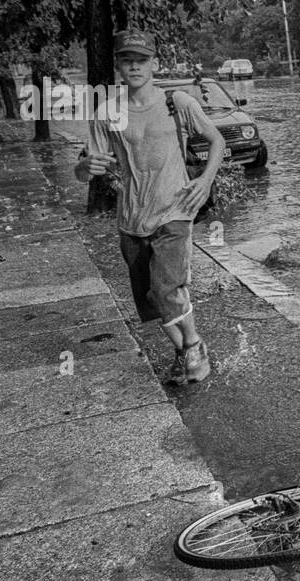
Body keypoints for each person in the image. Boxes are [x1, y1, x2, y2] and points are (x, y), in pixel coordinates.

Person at [75, 30, 224, 384]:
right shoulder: (108, 112)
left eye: (141, 60)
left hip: (174, 209)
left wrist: (204, 181)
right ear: (118, 65)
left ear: (153, 63)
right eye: (127, 60)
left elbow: (216, 140)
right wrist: (83, 169)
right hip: (131, 218)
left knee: (166, 289)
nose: (134, 66)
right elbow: (85, 168)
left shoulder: (178, 103)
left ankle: (194, 349)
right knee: (149, 299)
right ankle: (185, 354)